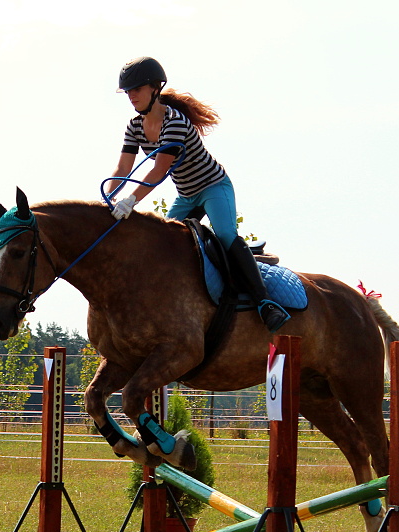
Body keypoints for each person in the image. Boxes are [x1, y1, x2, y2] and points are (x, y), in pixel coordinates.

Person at [108, 56, 291, 333]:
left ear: (155, 88)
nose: (131, 96)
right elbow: (123, 168)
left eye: (137, 89)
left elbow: (159, 170)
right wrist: (109, 197)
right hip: (187, 195)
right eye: (128, 92)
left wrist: (130, 201)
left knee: (226, 235)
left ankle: (265, 303)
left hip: (213, 187)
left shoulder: (175, 122)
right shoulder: (134, 126)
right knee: (161, 242)